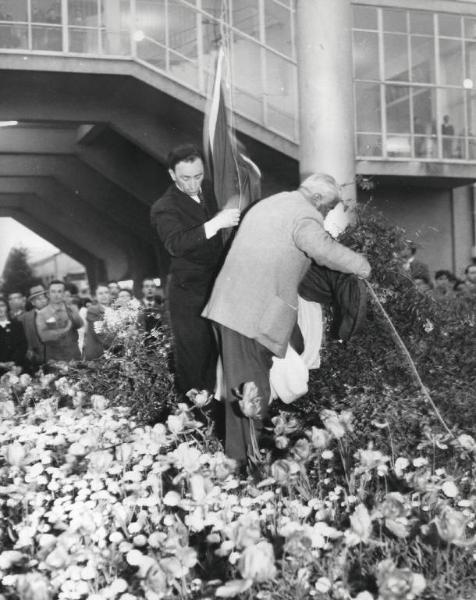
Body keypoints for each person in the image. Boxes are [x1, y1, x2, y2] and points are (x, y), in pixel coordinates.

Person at [202, 173, 371, 466]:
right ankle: (246, 469)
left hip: (232, 309)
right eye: (328, 208)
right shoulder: (304, 214)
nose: (326, 215)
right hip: (250, 316)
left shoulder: (272, 202)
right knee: (252, 396)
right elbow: (321, 249)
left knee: (241, 394)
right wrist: (361, 265)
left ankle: (237, 463)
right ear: (317, 199)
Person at [150, 143, 240, 397]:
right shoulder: (164, 207)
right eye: (185, 178)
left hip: (220, 288)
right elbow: (176, 244)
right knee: (195, 361)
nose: (193, 184)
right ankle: (195, 423)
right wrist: (215, 223)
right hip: (189, 295)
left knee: (221, 356)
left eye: (198, 176)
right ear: (172, 175)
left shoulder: (211, 190)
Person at [36, 280, 83, 362]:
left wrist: (72, 311)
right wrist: (65, 330)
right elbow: (44, 337)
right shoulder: (42, 314)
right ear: (48, 294)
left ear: (64, 294)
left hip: (74, 356)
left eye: (59, 291)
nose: (56, 295)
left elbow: (79, 324)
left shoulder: (71, 309)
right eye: (53, 292)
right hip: (55, 359)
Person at [21, 283, 48, 370]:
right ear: (33, 302)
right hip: (36, 359)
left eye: (44, 297)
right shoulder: (25, 318)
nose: (43, 300)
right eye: (39, 299)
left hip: (56, 357)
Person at [83, 283, 114, 360]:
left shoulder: (115, 310)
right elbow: (100, 333)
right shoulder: (93, 310)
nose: (104, 295)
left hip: (112, 352)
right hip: (98, 353)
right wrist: (120, 342)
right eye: (100, 293)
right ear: (95, 297)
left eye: (106, 293)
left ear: (110, 295)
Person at [0, 295, 27, 374]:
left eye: (2, 306)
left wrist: (14, 362)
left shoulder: (17, 324)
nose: (0, 309)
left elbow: (23, 345)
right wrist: (2, 364)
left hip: (18, 366)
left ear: (7, 307)